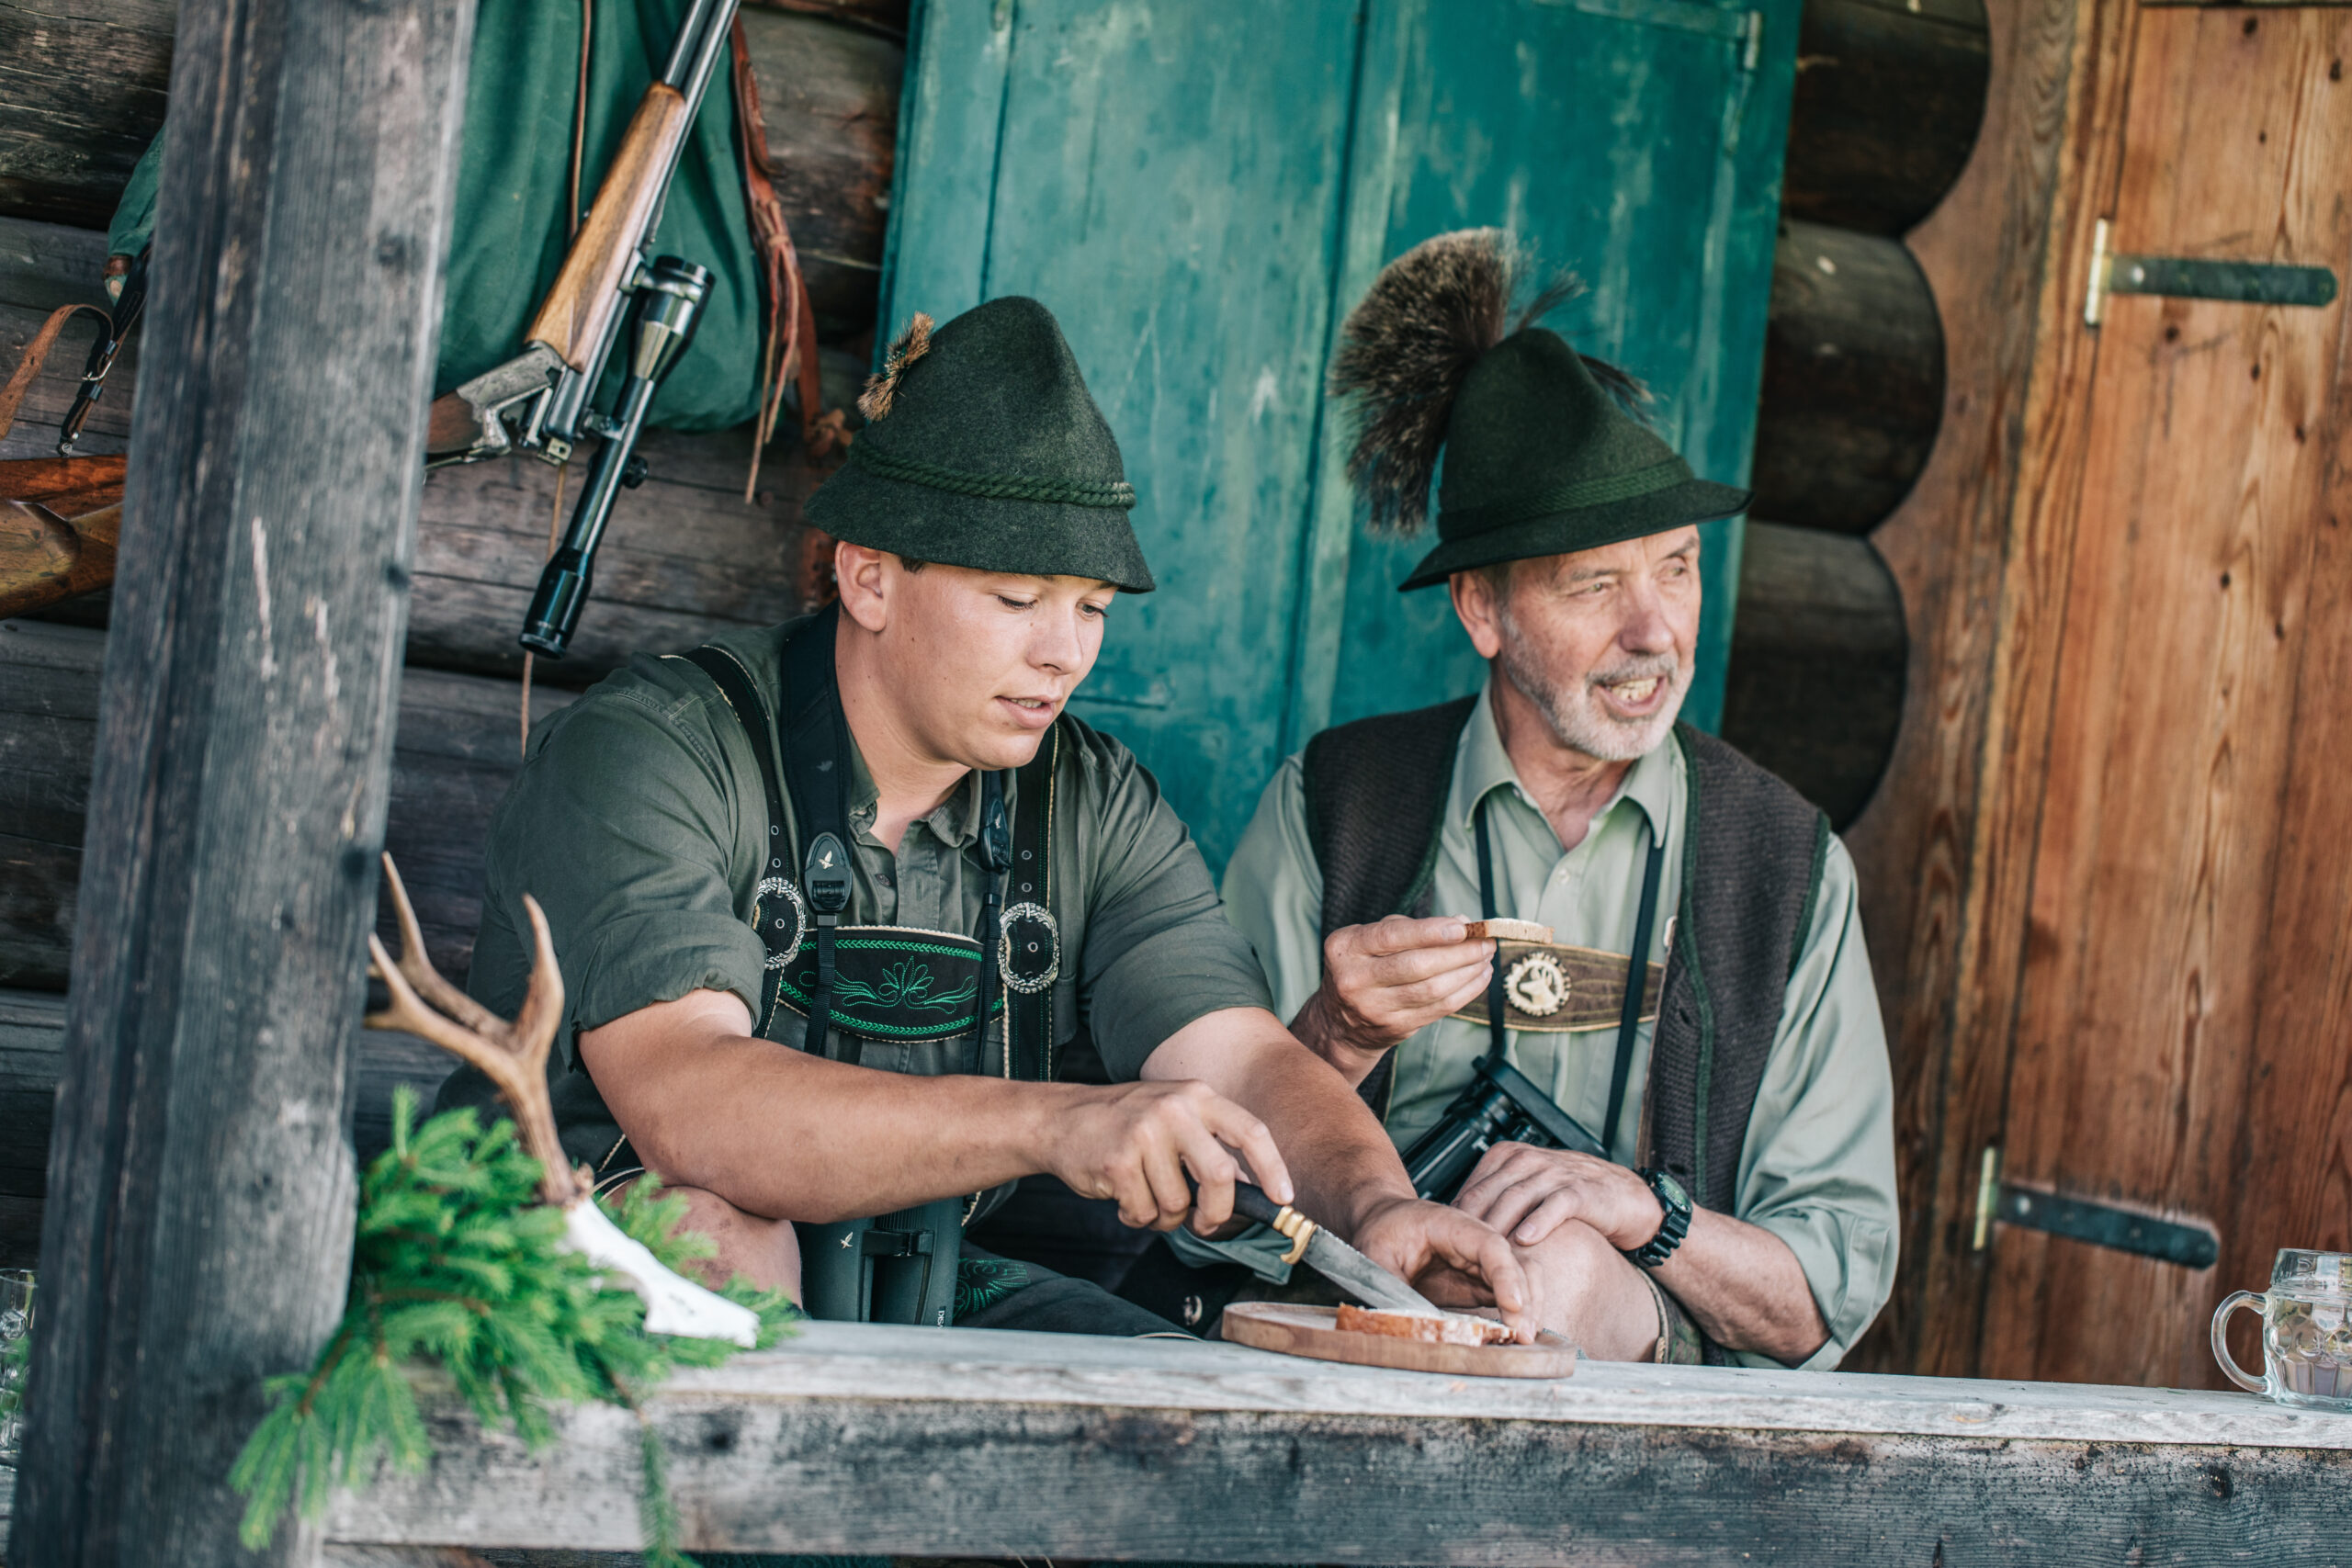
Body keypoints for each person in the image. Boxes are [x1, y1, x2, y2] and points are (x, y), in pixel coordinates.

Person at [439, 295, 1537, 1337]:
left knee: (1165, 1411)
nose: (1062, 652)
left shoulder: (1089, 800)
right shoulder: (658, 746)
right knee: (723, 1241)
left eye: (1091, 610)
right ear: (868, 580)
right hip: (567, 1264)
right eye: (1015, 601)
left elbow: (1241, 1058)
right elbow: (692, 1107)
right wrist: (1056, 1123)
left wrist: (1374, 1209)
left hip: (909, 1277)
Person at [1205, 231, 1898, 1367]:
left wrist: (1646, 1215)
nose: (1655, 631)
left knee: (1573, 1269)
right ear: (1481, 609)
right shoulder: (1336, 809)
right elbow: (1202, 1198)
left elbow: (1821, 1299)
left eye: (1675, 565)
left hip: (1650, 1457)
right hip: (1353, 1374)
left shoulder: (1785, 865)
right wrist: (1332, 1037)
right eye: (1596, 583)